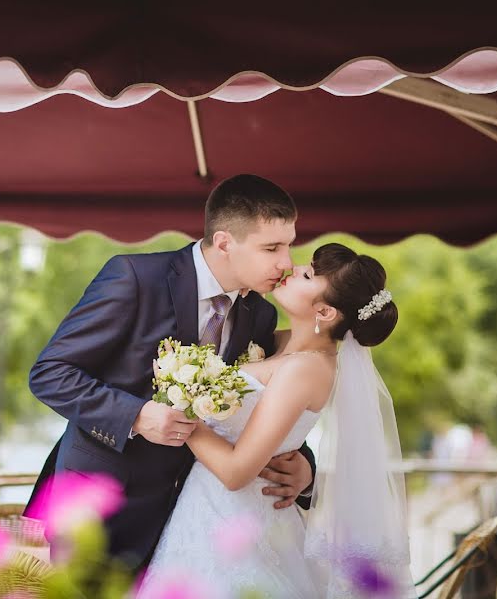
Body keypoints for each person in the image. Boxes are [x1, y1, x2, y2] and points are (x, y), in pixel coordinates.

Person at [25, 174, 316, 570]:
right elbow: (50, 372)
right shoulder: (134, 278)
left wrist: (304, 469)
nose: (286, 262)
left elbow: (252, 404)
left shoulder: (260, 314)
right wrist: (137, 416)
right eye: (272, 248)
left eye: (289, 245)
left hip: (185, 519)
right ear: (225, 242)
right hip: (95, 506)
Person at [140, 243, 414, 598]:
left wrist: (183, 406)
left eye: (309, 275)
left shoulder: (307, 368)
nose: (294, 267)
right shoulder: (278, 341)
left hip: (235, 519)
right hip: (207, 507)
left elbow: (237, 472)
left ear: (326, 312)